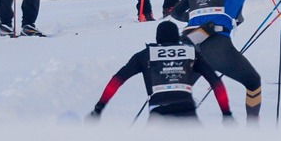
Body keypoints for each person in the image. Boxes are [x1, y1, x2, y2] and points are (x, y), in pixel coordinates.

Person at [169, 0, 281, 121]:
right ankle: (252, 133)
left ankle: (165, 132)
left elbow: (176, 12)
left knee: (180, 89)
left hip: (189, 40)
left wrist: (201, 20)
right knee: (253, 82)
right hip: (215, 41)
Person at [90, 19, 232, 122]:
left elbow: (117, 80)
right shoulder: (190, 53)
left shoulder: (145, 54)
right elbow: (216, 83)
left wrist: (99, 108)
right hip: (188, 112)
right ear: (177, 38)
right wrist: (226, 113)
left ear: (157, 39)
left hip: (159, 115)